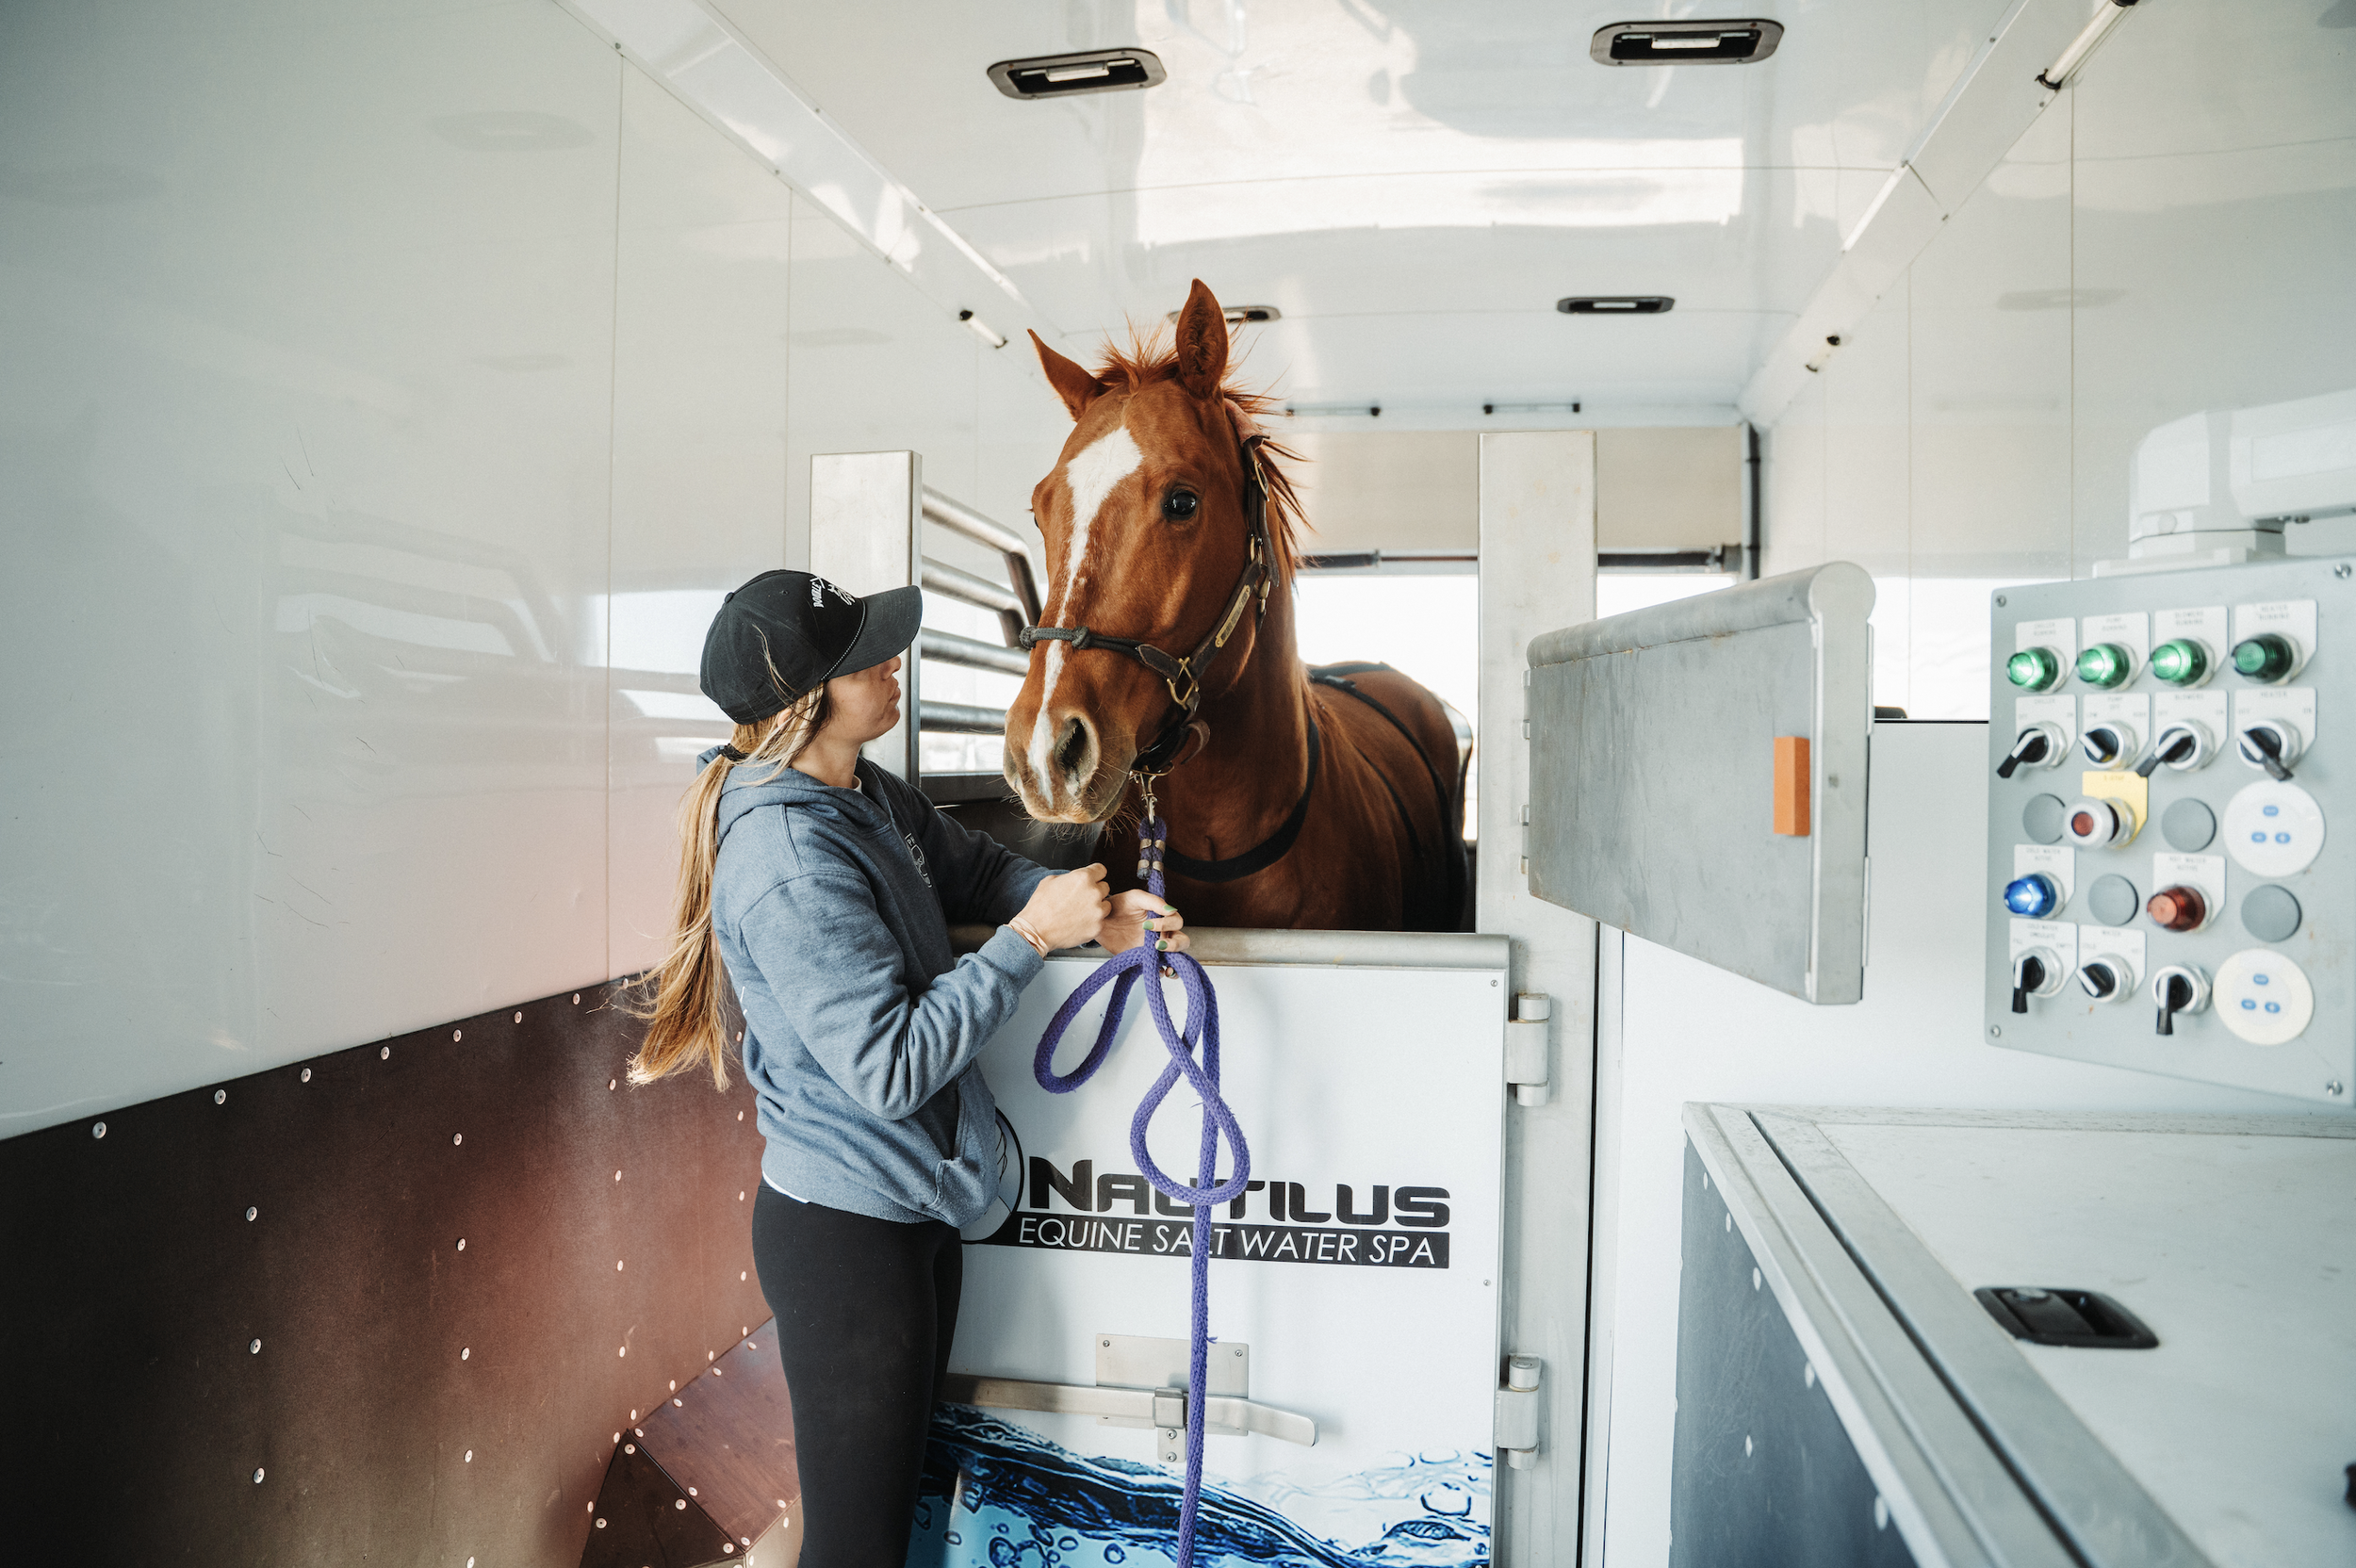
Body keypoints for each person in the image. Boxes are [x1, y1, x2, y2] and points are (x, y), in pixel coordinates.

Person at [629, 568, 1185, 1568]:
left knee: (895, 1523)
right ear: (807, 702)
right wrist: (1030, 938)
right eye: (863, 659)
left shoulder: (862, 791)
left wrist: (1092, 911)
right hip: (850, 1239)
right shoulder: (788, 855)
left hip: (913, 1206)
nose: (893, 663)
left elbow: (975, 867)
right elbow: (888, 1067)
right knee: (860, 1550)